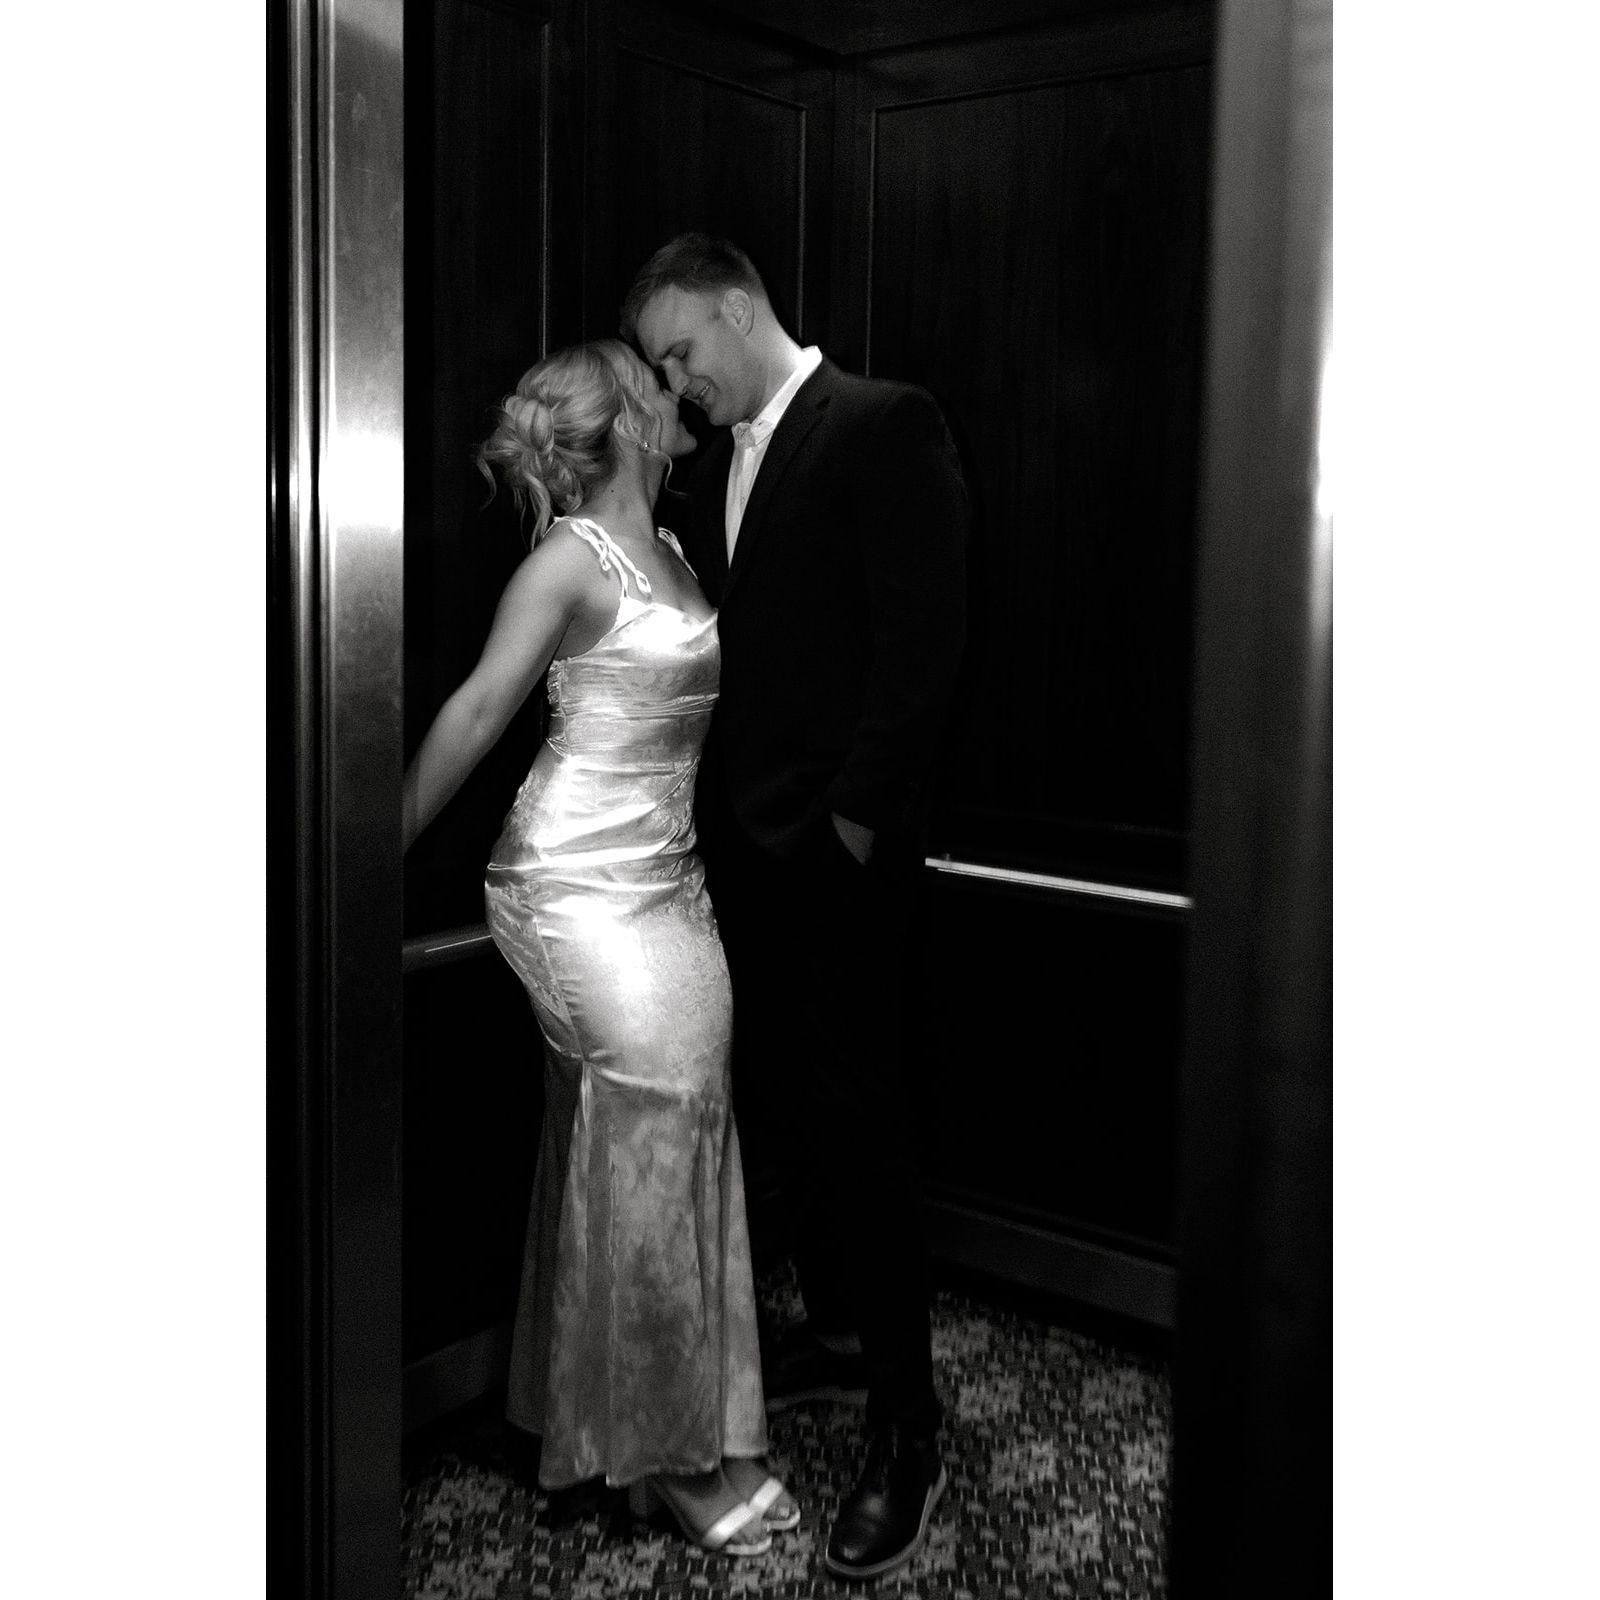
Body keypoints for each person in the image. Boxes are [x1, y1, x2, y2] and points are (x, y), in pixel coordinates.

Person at [402, 338, 799, 1560]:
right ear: (629, 415)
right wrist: (360, 858)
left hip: (671, 888)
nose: (679, 391)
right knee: (653, 1132)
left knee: (673, 1135)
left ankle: (637, 1425)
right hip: (571, 887)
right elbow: (479, 707)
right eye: (658, 376)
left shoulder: (672, 548)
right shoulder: (568, 560)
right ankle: (672, 1456)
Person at [623, 234, 968, 1581]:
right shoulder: (717, 466)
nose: (676, 385)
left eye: (678, 352)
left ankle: (909, 1429)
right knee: (796, 1126)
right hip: (740, 868)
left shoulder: (884, 422)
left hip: (835, 869)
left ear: (734, 304)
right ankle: (836, 1336)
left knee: (865, 1138)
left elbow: (920, 653)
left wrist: (848, 836)